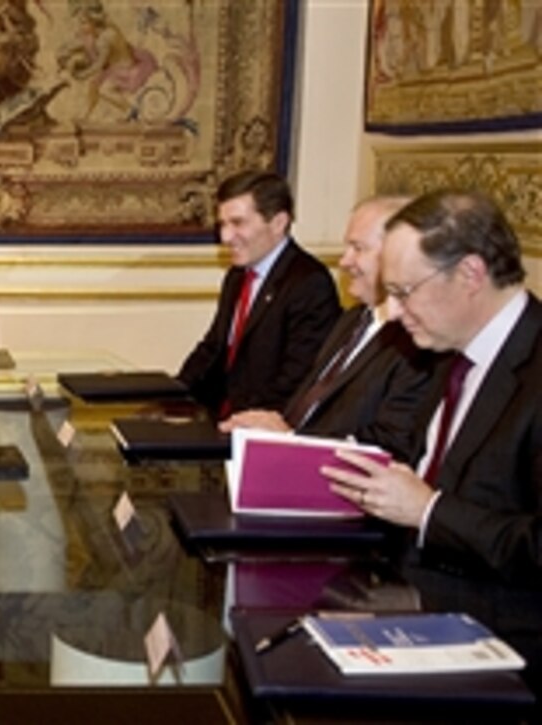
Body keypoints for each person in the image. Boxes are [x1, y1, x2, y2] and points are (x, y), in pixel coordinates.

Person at [321, 190, 542, 696]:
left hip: (505, 644)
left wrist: (429, 511)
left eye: (404, 291)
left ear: (470, 274)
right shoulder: (446, 354)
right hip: (405, 600)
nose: (394, 313)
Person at [221, 196, 439, 462]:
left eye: (358, 248)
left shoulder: (418, 342)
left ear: (398, 255)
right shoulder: (352, 320)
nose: (344, 262)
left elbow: (392, 446)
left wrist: (290, 441)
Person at [177, 170, 340, 416]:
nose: (225, 237)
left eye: (238, 223)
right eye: (222, 224)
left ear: (278, 223)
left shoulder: (309, 282)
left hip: (262, 427)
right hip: (220, 417)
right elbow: (213, 349)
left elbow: (298, 379)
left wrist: (239, 426)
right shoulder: (237, 276)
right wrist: (173, 396)